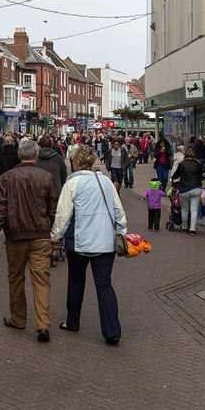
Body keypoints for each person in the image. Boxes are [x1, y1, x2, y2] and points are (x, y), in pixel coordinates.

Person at [50, 145, 125, 345]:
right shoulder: (106, 182)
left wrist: (55, 237)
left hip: (80, 243)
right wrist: (122, 233)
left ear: (77, 162)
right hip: (105, 243)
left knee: (76, 282)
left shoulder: (72, 183)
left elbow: (63, 215)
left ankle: (72, 322)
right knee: (104, 285)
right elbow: (118, 211)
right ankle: (112, 330)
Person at [0, 139, 58, 343]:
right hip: (41, 236)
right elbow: (53, 208)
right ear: (36, 156)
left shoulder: (7, 178)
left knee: (16, 278)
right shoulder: (47, 177)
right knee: (41, 281)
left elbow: (0, 208)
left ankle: (18, 319)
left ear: (19, 155)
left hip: (16, 236)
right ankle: (43, 324)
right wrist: (48, 226)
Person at [171, 147, 203, 235]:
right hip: (196, 188)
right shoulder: (198, 164)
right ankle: (192, 228)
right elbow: (202, 176)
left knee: (184, 209)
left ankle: (184, 226)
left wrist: (173, 181)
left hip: (184, 189)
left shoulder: (182, 164)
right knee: (194, 209)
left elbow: (176, 175)